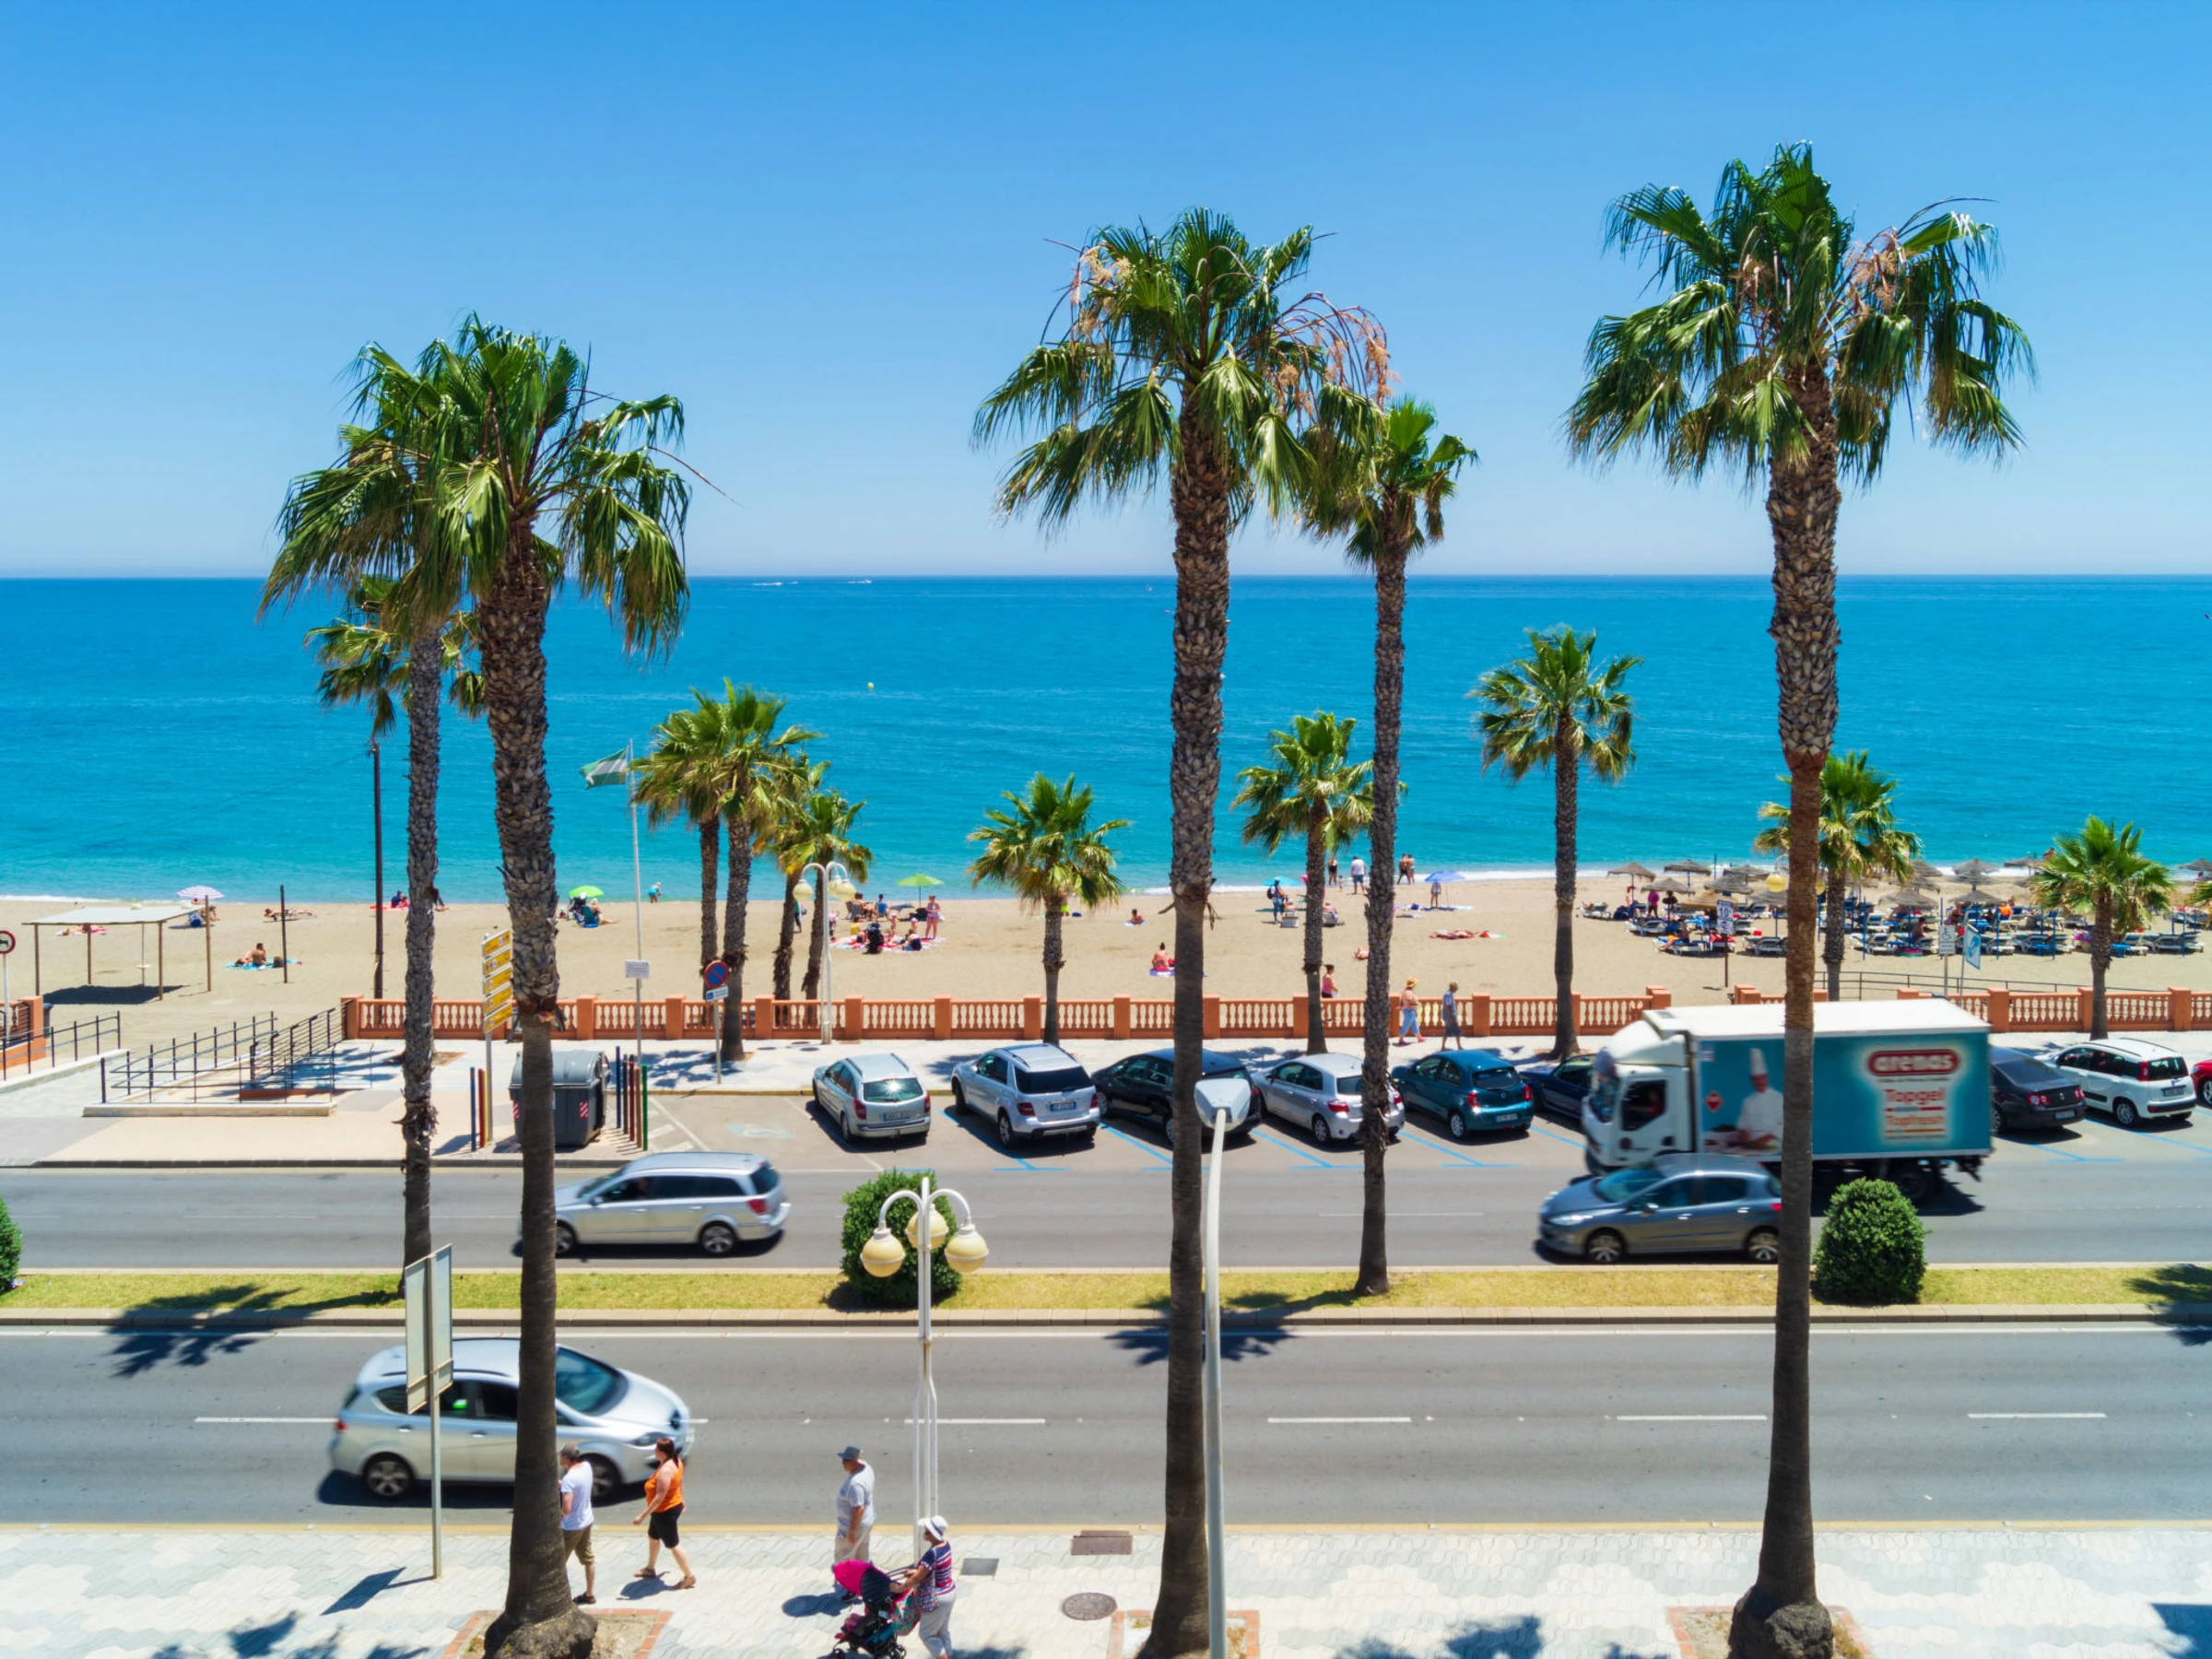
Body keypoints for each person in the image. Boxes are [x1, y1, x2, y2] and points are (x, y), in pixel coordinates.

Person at [632, 1436, 694, 1588]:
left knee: (674, 1545)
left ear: (662, 1452)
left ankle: (689, 1577)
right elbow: (680, 1481)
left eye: (656, 1449)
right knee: (653, 1537)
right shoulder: (675, 1461)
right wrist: (682, 1500)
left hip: (665, 1512)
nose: (654, 1451)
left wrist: (642, 1516)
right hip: (666, 1509)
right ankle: (650, 1569)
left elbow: (659, 1498)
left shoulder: (666, 1470)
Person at [899, 1515, 958, 1658]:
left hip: (937, 1599)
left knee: (927, 1635)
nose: (924, 1533)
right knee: (942, 1631)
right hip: (950, 1593)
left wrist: (899, 1588)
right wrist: (915, 1571)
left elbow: (917, 1578)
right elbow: (931, 1569)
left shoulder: (933, 1553)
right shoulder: (946, 1546)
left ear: (932, 1534)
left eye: (927, 1531)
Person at [559, 1444, 597, 1605]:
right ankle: (590, 1594)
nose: (560, 1458)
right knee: (588, 1559)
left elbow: (566, 1509)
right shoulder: (587, 1467)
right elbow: (578, 1487)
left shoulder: (569, 1479)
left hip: (571, 1527)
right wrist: (561, 1484)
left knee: (558, 1562)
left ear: (567, 1458)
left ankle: (560, 1598)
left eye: (561, 1455)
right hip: (586, 1521)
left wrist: (559, 1515)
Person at [1729, 1048, 1785, 1151]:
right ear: (1752, 1081)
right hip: (1751, 1145)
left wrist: (1766, 1138)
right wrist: (1743, 1133)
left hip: (1773, 1144)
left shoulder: (1779, 1098)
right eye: (1756, 1079)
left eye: (1762, 1078)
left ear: (1767, 1078)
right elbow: (1742, 1125)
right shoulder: (1747, 1101)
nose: (1759, 1081)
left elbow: (1785, 1124)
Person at [835, 1445, 875, 1564]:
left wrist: (852, 1532)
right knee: (862, 1560)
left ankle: (845, 1577)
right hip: (866, 1524)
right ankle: (864, 1575)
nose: (843, 1463)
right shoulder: (867, 1469)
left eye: (846, 1460)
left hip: (853, 1528)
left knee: (843, 1561)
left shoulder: (855, 1484)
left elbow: (858, 1508)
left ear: (856, 1462)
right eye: (843, 1460)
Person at [1395, 978, 1419, 1045]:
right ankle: (1401, 1039)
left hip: (1411, 1010)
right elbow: (1407, 1002)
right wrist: (1402, 1007)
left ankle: (1419, 1038)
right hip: (1409, 1011)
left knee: (1414, 1025)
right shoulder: (1408, 992)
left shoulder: (1407, 991)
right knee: (1406, 1025)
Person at [1440, 981, 1462, 1049]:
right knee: (1457, 1031)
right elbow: (1448, 1006)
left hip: (1448, 1017)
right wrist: (1451, 1017)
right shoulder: (1449, 995)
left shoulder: (1448, 994)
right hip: (1450, 1017)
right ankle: (1459, 1046)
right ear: (1453, 988)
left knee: (1446, 1031)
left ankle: (1443, 1046)